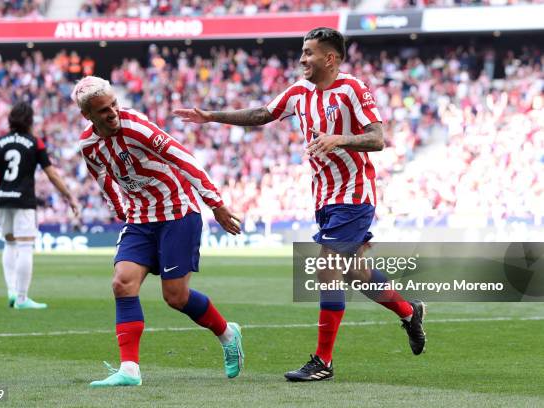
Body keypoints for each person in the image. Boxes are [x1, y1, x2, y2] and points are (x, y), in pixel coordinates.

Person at [174, 27, 427, 382]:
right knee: (354, 272)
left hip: (354, 194)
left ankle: (323, 361)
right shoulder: (298, 93)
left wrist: (340, 139)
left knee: (327, 267)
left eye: (309, 52)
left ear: (330, 58)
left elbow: (378, 139)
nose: (302, 59)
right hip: (324, 197)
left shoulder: (353, 89)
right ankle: (408, 310)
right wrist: (212, 116)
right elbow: (263, 114)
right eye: (302, 52)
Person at [71, 76, 244, 387]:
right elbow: (101, 177)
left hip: (178, 212)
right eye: (104, 110)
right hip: (140, 218)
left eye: (114, 104)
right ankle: (130, 370)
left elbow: (183, 157)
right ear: (88, 116)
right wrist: (120, 209)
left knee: (175, 297)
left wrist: (215, 203)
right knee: (122, 283)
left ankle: (227, 333)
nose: (113, 113)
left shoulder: (136, 125)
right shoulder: (89, 145)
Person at [0, 101, 80, 310]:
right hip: (24, 200)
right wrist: (69, 196)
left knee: (9, 244)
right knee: (25, 246)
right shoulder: (35, 143)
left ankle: (11, 290)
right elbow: (51, 174)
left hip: (3, 198)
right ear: (30, 120)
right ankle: (21, 298)